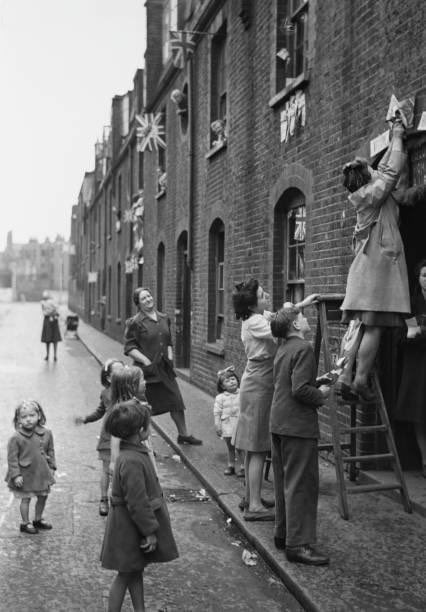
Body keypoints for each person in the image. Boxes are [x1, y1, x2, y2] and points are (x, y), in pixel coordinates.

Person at [337, 118, 410, 401]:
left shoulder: (363, 192)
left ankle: (345, 376)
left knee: (361, 324)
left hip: (365, 268)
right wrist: (399, 136)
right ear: (368, 177)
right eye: (370, 168)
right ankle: (361, 379)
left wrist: (393, 139)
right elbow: (390, 172)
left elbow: (382, 171)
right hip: (377, 268)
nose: (374, 167)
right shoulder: (373, 193)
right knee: (375, 325)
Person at [100, 399, 179, 612]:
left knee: (135, 571)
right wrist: (150, 532)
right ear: (140, 430)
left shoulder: (132, 453)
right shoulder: (132, 460)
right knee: (125, 574)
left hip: (130, 525)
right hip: (130, 527)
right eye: (149, 425)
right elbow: (137, 502)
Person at [270, 305, 330, 565]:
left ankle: (283, 534)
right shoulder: (303, 348)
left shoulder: (284, 348)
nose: (305, 319)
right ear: (295, 325)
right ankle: (298, 545)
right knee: (301, 485)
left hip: (279, 421)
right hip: (297, 425)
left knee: (285, 481)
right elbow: (299, 390)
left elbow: (289, 382)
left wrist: (316, 382)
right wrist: (321, 395)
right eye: (302, 316)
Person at [124, 287, 201, 446]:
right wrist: (146, 362)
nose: (148, 299)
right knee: (144, 408)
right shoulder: (135, 322)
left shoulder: (164, 318)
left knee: (176, 402)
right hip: (146, 373)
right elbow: (129, 348)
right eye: (143, 298)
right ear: (138, 303)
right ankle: (138, 440)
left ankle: (183, 435)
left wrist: (170, 358)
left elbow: (169, 342)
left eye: (149, 296)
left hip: (165, 370)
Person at [74, 358, 124, 516]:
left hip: (126, 435)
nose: (123, 374)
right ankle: (104, 499)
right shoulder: (107, 393)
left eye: (125, 370)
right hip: (109, 436)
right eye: (119, 372)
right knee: (107, 469)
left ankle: (122, 498)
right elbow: (100, 411)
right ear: (109, 378)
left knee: (124, 468)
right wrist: (86, 418)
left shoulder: (130, 390)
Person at [394, 259, 426, 477]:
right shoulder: (412, 305)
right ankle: (425, 461)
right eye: (425, 275)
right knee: (419, 414)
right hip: (418, 365)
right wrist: (418, 330)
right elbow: (404, 338)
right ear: (418, 278)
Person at [5, 399, 56, 534]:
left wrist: (52, 466)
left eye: (31, 415)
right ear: (19, 420)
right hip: (25, 474)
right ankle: (25, 523)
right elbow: (12, 459)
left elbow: (51, 450)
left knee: (43, 496)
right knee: (26, 498)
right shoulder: (16, 438)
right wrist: (16, 475)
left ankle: (38, 519)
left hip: (41, 472)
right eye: (24, 417)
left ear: (39, 416)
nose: (28, 419)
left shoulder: (47, 433)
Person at [108, 365, 158, 476]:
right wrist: (113, 461)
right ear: (130, 385)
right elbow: (115, 438)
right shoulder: (124, 410)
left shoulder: (135, 403)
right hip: (131, 454)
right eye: (142, 380)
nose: (145, 382)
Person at [213, 366, 244, 477]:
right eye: (227, 381)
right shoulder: (220, 398)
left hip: (239, 424)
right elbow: (217, 412)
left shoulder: (242, 393)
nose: (231, 382)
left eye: (233, 379)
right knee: (230, 447)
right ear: (222, 386)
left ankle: (243, 467)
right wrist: (218, 426)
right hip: (227, 425)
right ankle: (231, 465)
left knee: (240, 447)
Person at [40, 290, 62, 361]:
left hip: (49, 320)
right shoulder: (44, 303)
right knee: (49, 339)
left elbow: (45, 312)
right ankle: (50, 355)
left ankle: (52, 355)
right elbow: (56, 310)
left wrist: (52, 313)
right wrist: (54, 313)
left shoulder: (45, 302)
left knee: (50, 339)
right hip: (51, 320)